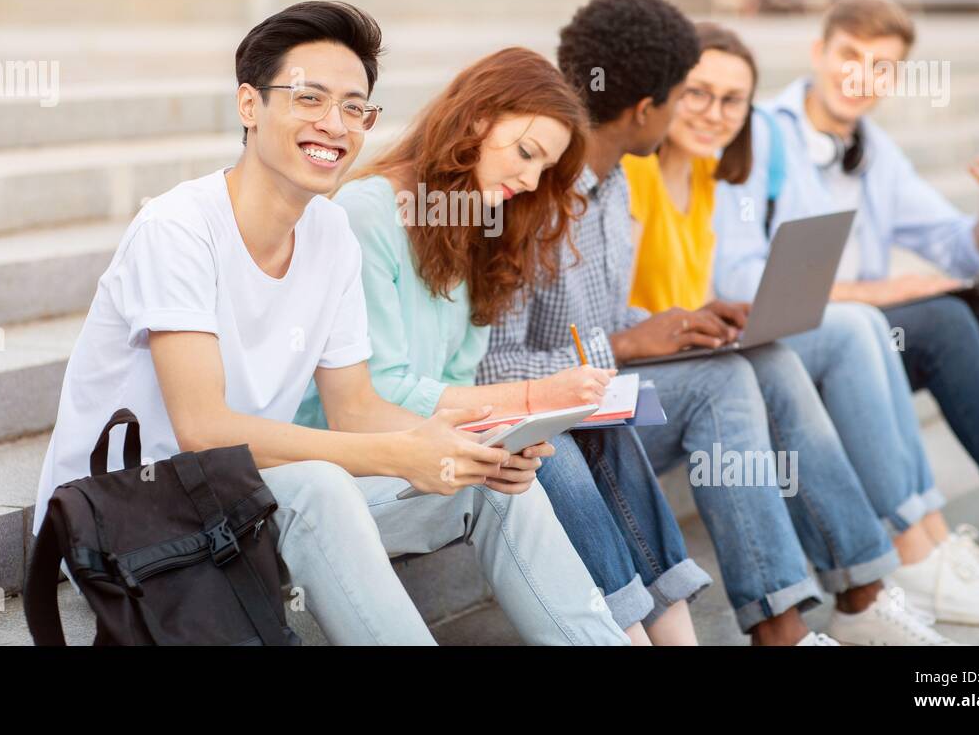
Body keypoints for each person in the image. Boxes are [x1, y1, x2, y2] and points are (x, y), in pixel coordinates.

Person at [31, 0, 630, 646]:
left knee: (485, 484)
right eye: (309, 98)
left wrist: (468, 447)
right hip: (137, 512)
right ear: (249, 106)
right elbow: (203, 431)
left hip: (246, 498)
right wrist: (398, 455)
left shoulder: (330, 234)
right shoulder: (179, 227)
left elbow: (357, 409)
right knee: (320, 485)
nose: (334, 124)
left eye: (353, 108)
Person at [480, 0, 957, 645]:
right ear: (648, 107)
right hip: (550, 416)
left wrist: (674, 322)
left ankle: (835, 604)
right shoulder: (535, 192)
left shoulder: (615, 182)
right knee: (732, 380)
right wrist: (625, 340)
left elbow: (613, 319)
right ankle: (789, 626)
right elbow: (493, 364)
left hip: (604, 396)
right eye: (686, 96)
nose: (697, 115)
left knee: (753, 361)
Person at [624, 20, 979, 625]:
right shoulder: (636, 178)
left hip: (698, 354)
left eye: (731, 99)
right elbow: (613, 319)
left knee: (863, 327)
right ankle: (900, 554)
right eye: (698, 93)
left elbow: (961, 250)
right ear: (663, 93)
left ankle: (895, 564)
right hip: (645, 381)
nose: (714, 113)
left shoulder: (713, 181)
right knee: (847, 329)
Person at [296, 46, 711, 645]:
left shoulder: (475, 224)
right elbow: (371, 394)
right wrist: (529, 396)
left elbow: (458, 373)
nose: (530, 180)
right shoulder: (367, 214)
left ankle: (673, 637)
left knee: (591, 427)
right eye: (525, 153)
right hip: (352, 452)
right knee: (544, 458)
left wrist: (537, 406)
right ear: (474, 122)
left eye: (544, 168)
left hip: (426, 436)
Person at [713, 0, 979, 603]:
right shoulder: (760, 136)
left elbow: (962, 253)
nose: (861, 76)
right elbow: (737, 283)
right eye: (850, 55)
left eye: (881, 66)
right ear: (818, 52)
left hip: (872, 337)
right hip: (803, 341)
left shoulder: (875, 150)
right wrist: (882, 289)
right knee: (944, 321)